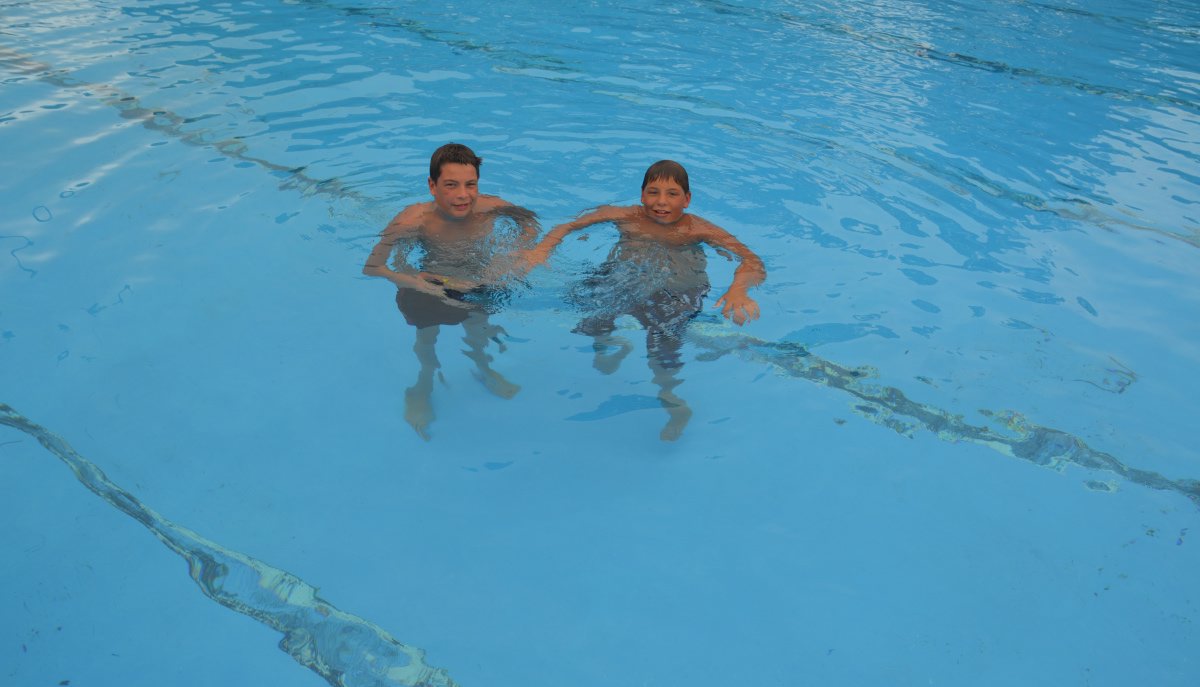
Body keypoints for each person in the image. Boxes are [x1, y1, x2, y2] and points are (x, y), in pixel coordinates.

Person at [517, 160, 766, 440]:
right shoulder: (625, 217)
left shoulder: (699, 229)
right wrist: (542, 249)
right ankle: (607, 346)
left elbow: (751, 260)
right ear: (642, 195)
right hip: (624, 281)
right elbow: (570, 225)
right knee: (592, 313)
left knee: (662, 348)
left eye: (672, 194)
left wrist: (738, 290)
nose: (661, 201)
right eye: (653, 192)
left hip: (675, 293)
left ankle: (671, 398)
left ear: (687, 199)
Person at [364, 143, 538, 440]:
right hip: (429, 289)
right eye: (451, 185)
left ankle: (483, 368)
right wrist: (417, 283)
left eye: (471, 185)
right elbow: (373, 267)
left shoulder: (490, 208)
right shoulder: (412, 220)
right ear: (432, 186)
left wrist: (513, 255)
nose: (463, 195)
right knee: (427, 340)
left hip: (476, 283)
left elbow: (529, 222)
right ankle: (423, 385)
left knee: (479, 331)